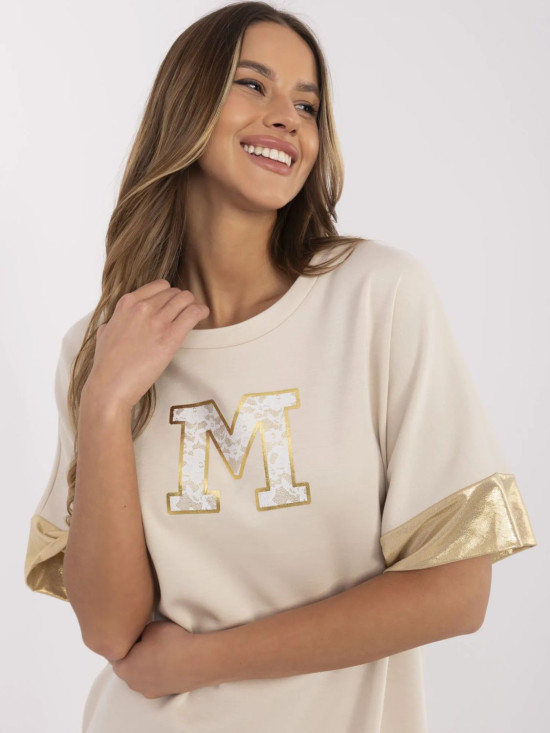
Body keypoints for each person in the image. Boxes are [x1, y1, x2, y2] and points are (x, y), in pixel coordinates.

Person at [24, 2, 537, 731]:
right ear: (187, 104)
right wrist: (105, 403)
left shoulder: (377, 298)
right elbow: (110, 630)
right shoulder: (101, 347)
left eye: (307, 105)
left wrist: (203, 659)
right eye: (252, 84)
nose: (287, 119)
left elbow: (456, 594)